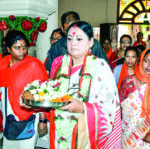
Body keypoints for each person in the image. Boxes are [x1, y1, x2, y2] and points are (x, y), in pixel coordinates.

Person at [23, 21, 122, 149]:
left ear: (91, 42)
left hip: (85, 135)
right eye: (69, 39)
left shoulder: (100, 67)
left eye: (79, 39)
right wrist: (35, 102)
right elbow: (52, 95)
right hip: (59, 132)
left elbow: (110, 108)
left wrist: (83, 107)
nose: (73, 43)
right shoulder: (59, 64)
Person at [0, 30, 48, 149]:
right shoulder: (2, 64)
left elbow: (44, 94)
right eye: (17, 48)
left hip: (29, 115)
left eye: (24, 47)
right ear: (9, 49)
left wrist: (43, 120)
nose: (22, 51)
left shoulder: (34, 65)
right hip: (8, 116)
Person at [121, 48, 150, 148]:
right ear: (141, 61)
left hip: (146, 139)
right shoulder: (128, 81)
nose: (149, 65)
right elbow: (118, 108)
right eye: (146, 61)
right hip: (126, 136)